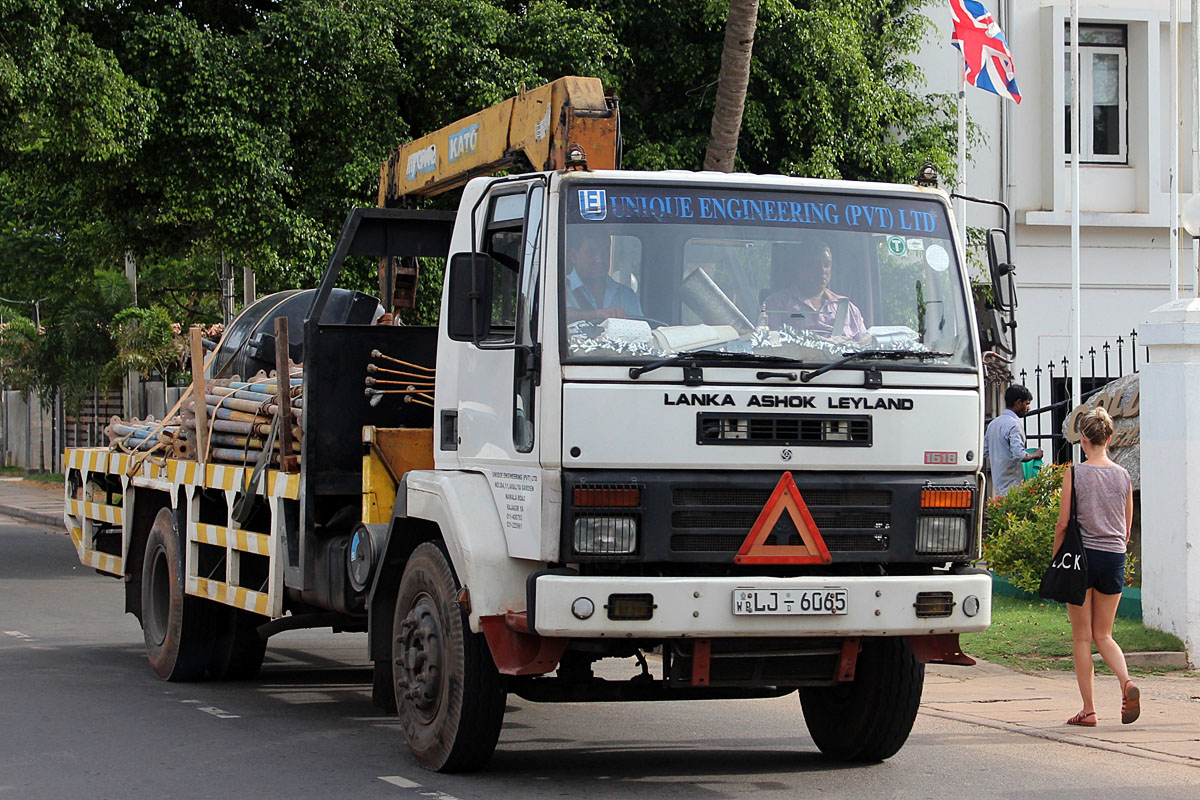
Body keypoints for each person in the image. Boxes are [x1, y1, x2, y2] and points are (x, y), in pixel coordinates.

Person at [1056, 407, 1138, 727]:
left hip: (1081, 560)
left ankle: (1089, 710)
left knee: (1082, 638)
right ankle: (1126, 682)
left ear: (1083, 440)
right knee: (1104, 633)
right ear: (1110, 437)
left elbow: (1063, 524)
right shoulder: (1123, 474)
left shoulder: (1075, 473)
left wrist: (1056, 559)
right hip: (1114, 556)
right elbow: (1127, 527)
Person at [763, 241, 866, 337]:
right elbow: (769, 344)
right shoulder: (776, 303)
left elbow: (865, 347)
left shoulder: (848, 308)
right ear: (799, 268)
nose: (822, 271)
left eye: (826, 265)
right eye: (814, 265)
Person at [565, 233, 642, 323]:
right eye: (591, 253)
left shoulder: (627, 295)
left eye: (605, 252)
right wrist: (595, 315)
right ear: (573, 256)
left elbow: (642, 331)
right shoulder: (557, 290)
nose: (600, 259)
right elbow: (555, 319)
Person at [984, 384, 1044, 497]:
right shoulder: (1014, 425)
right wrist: (1035, 454)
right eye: (1027, 404)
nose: (1028, 408)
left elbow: (984, 451)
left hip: (999, 485)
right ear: (1018, 402)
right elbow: (1020, 455)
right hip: (1013, 487)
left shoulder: (994, 423)